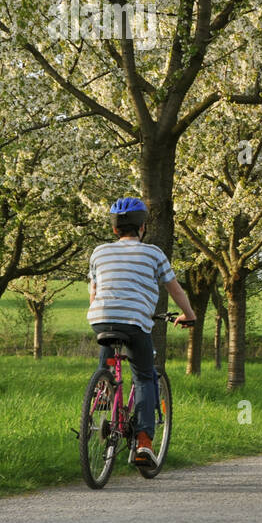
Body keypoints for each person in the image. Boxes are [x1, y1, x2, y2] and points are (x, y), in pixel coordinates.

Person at [87, 198, 196, 465]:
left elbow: (93, 292)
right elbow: (175, 289)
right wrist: (189, 315)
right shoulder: (154, 254)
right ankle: (144, 442)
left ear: (114, 230)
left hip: (101, 318)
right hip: (135, 321)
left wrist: (104, 313)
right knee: (146, 376)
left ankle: (103, 388)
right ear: (143, 227)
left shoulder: (98, 252)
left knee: (109, 352)